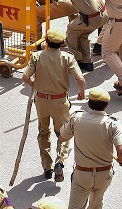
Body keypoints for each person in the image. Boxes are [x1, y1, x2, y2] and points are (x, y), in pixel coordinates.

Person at [58, 87, 122, 209]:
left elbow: (62, 137)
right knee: (96, 204)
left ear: (88, 104)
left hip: (83, 174)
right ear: (106, 106)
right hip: (104, 174)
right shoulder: (113, 123)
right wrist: (120, 160)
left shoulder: (76, 118)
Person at [22, 28, 86, 182]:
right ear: (62, 43)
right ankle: (60, 163)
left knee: (43, 132)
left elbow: (25, 77)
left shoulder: (37, 56)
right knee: (63, 133)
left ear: (46, 42)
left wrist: (34, 84)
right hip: (60, 101)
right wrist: (82, 92)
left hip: (42, 101)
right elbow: (81, 79)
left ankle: (47, 167)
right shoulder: (67, 58)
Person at [57, 0, 107, 72]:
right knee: (82, 35)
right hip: (105, 13)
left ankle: (75, 59)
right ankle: (87, 62)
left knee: (71, 30)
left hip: (92, 18)